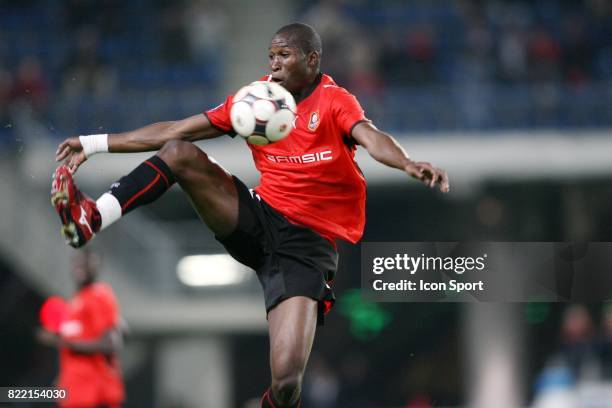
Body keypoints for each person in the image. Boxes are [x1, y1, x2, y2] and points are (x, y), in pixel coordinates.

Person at [51, 23, 449, 407]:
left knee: (288, 382)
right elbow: (177, 129)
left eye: (284, 55)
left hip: (306, 248)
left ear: (312, 60)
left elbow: (371, 137)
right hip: (258, 218)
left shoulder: (334, 100)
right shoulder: (255, 100)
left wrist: (408, 163)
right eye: (271, 55)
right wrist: (94, 142)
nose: (274, 63)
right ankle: (92, 217)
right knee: (178, 153)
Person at [37, 250, 125, 408]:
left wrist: (62, 342)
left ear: (96, 267)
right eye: (77, 262)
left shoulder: (100, 296)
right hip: (75, 394)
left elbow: (110, 344)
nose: (80, 266)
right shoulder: (76, 302)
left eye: (86, 262)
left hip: (96, 394)